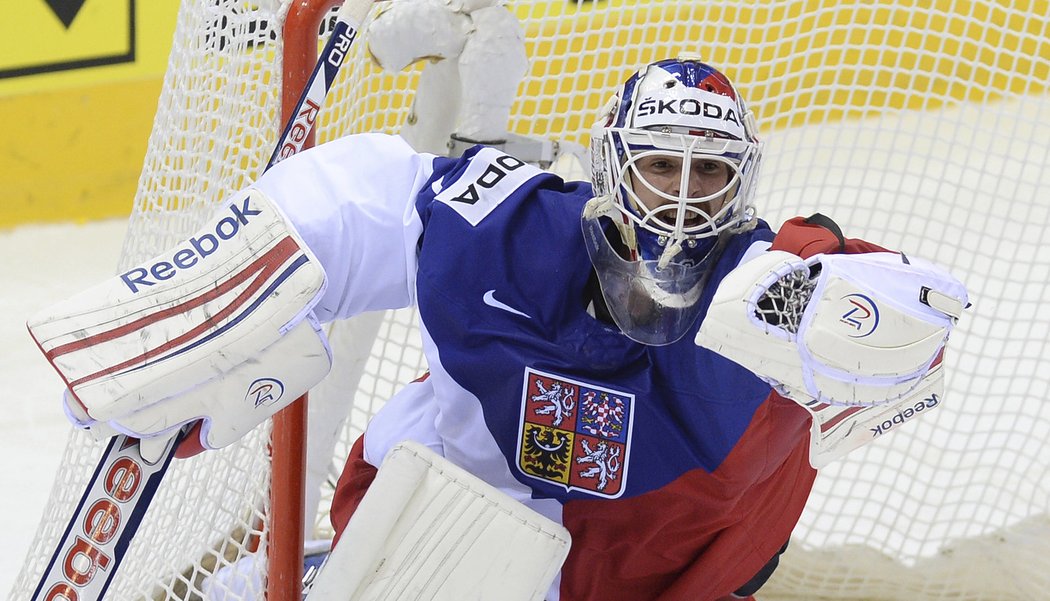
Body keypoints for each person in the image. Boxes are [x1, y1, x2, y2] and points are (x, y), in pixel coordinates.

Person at [33, 57, 963, 601]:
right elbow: (369, 200)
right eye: (658, 168)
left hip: (666, 579)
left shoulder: (776, 287)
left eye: (707, 174)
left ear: (742, 183)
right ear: (611, 167)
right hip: (447, 553)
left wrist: (852, 308)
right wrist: (227, 290)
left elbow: (888, 308)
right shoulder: (509, 228)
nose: (682, 198)